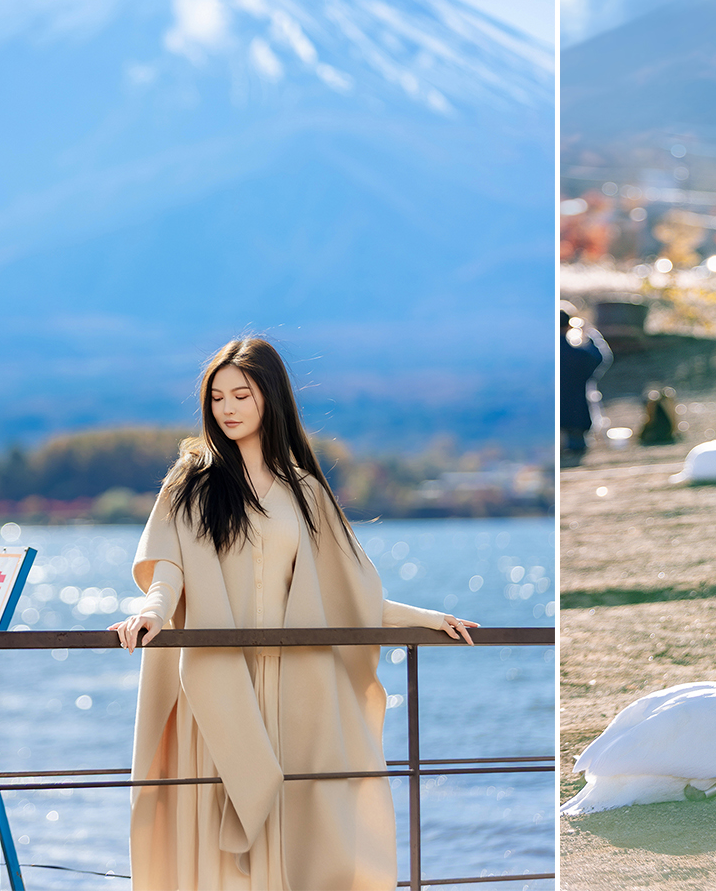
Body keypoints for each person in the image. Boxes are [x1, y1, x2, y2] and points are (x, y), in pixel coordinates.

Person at [110, 337, 477, 889]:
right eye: (216, 398)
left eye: (241, 394)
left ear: (271, 398)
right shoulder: (191, 481)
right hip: (215, 685)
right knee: (212, 829)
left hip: (287, 689)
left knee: (294, 823)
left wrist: (424, 618)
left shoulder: (304, 491)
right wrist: (152, 613)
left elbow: (345, 595)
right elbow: (168, 570)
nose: (227, 409)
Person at [560, 300, 612, 468]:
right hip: (576, 417)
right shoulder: (578, 355)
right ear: (569, 325)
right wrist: (589, 334)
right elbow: (601, 357)